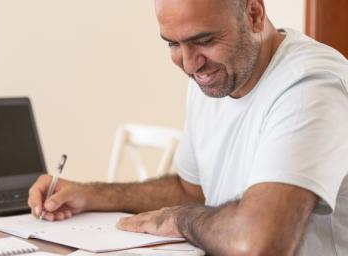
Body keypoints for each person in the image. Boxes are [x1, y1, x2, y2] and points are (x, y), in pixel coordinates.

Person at [28, 0, 348, 255]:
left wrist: (180, 218)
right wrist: (90, 194)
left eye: (204, 40)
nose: (190, 64)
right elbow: (191, 190)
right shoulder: (215, 78)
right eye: (173, 44)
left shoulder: (311, 85)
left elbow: (258, 243)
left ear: (253, 14)